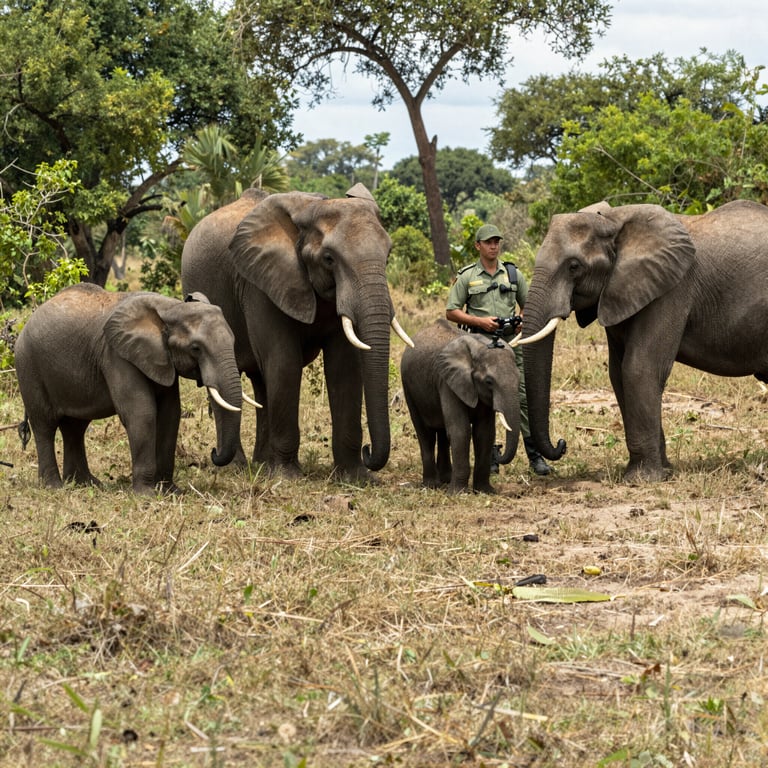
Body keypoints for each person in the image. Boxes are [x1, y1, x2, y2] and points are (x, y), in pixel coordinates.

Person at [445, 224, 551, 476]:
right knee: (486, 402)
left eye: (497, 242)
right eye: (488, 242)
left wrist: (521, 321)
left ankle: (534, 456)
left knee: (522, 399)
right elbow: (451, 311)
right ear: (478, 246)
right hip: (481, 348)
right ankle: (489, 455)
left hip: (511, 347)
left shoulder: (512, 274)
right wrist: (479, 322)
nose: (494, 246)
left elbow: (529, 305)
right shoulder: (468, 276)